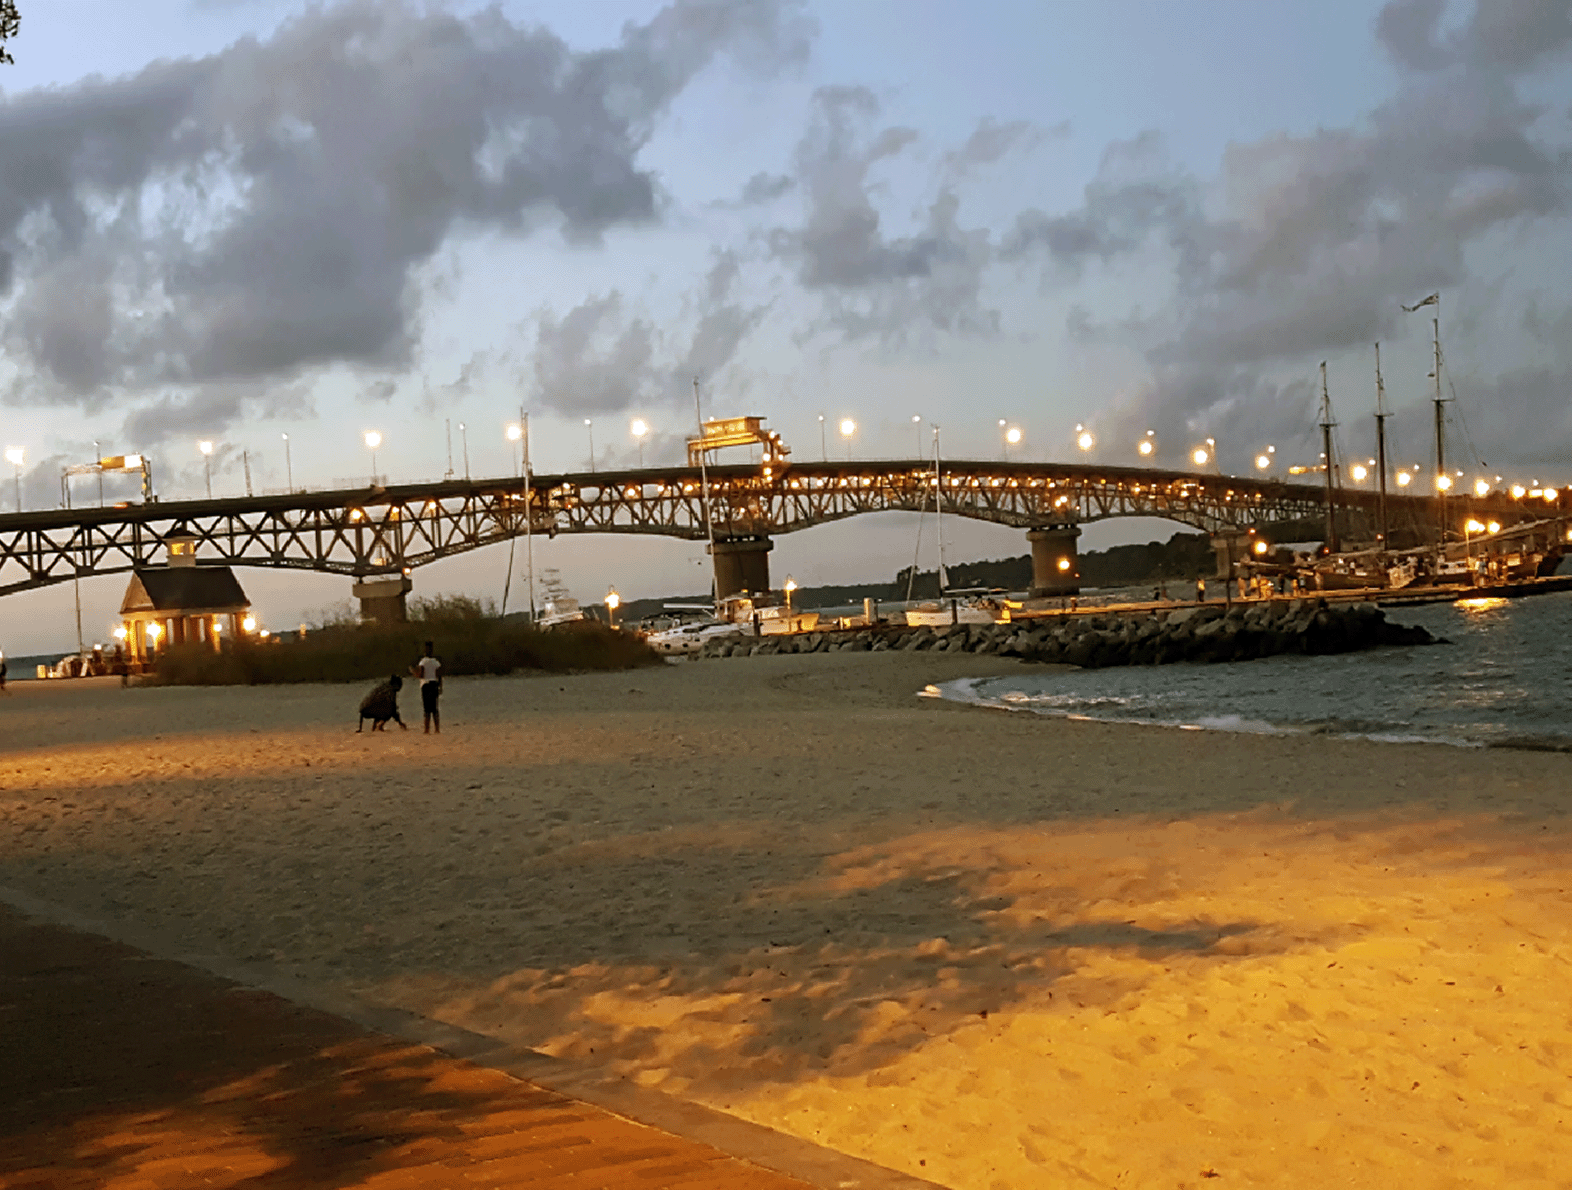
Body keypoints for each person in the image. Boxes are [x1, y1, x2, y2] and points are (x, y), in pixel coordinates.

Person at [413, 640, 443, 734]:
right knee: (434, 708)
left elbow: (421, 675)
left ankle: (427, 729)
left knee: (426, 709)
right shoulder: (435, 662)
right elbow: (439, 675)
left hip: (425, 685)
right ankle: (437, 729)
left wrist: (414, 673)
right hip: (434, 684)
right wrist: (440, 687)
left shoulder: (423, 662)